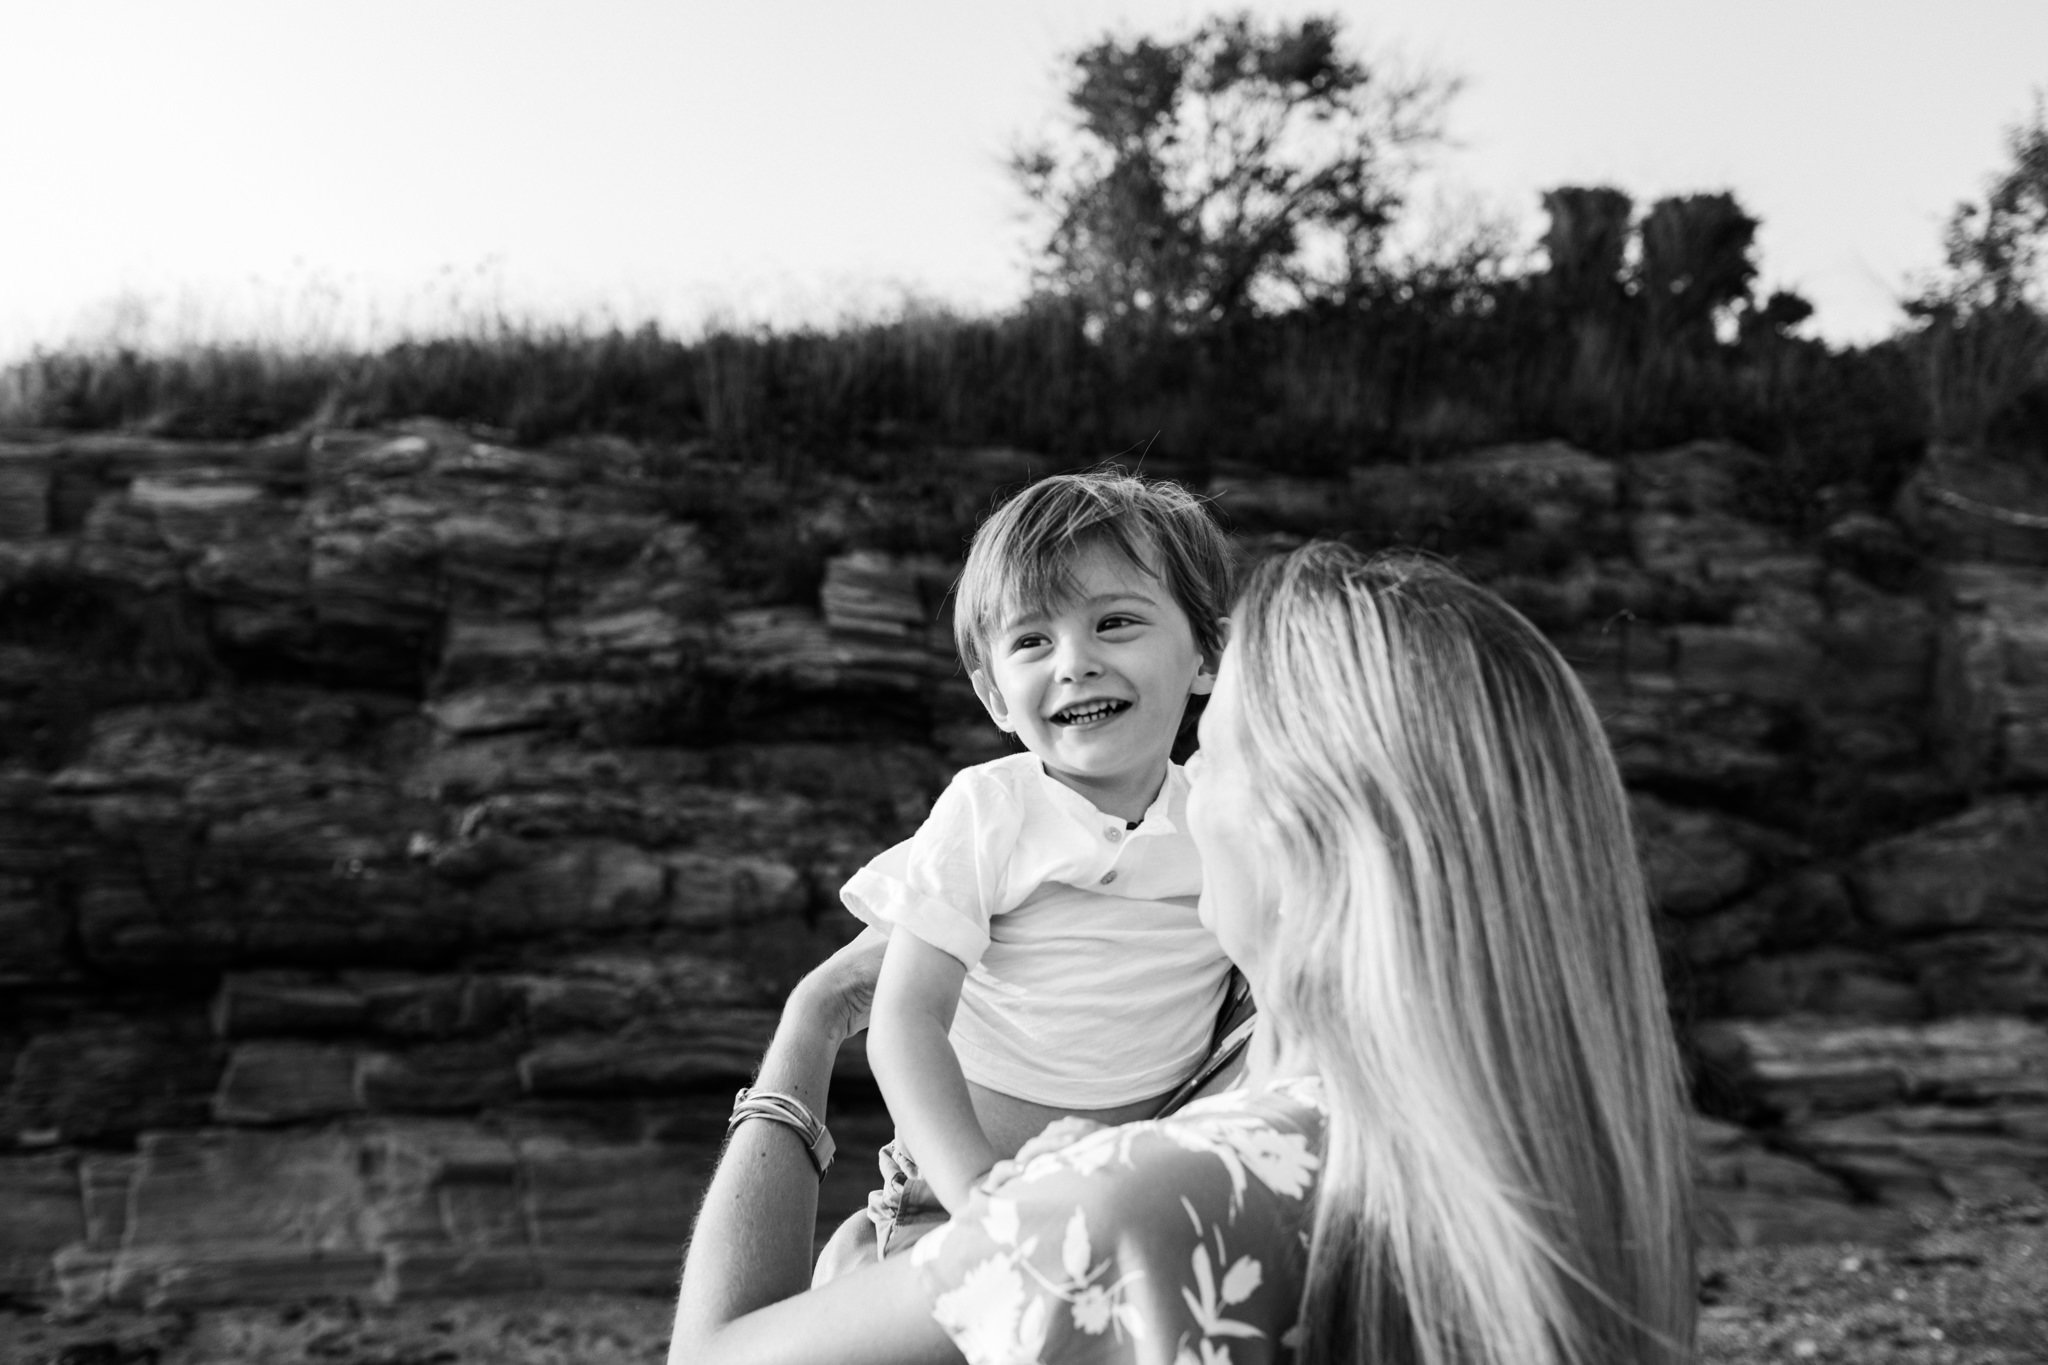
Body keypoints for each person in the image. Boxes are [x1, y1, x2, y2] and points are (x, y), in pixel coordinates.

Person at [670, 544, 1697, 1365]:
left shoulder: (1126, 1203)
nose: (1190, 793)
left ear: (1308, 827)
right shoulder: (1543, 1178)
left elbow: (713, 1356)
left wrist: (807, 1027)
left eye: (1216, 752)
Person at [839, 469, 1238, 1256]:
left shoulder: (1224, 812)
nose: (1074, 662)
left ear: (1206, 653)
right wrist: (976, 1192)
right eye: (1032, 641)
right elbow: (904, 1018)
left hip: (1142, 1190)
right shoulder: (990, 809)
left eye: (1116, 622)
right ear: (994, 696)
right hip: (968, 1184)